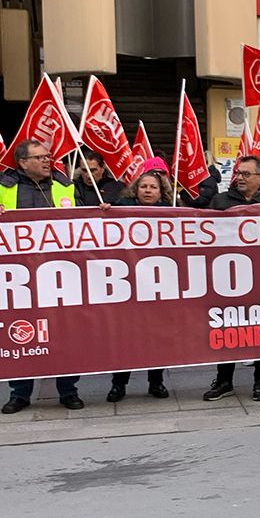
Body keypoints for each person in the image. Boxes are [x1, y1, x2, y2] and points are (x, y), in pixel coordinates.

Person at [0, 140, 83, 412]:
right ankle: (20, 393)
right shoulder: (0, 189)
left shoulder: (65, 186)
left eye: (48, 156)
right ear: (22, 162)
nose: (47, 161)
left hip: (61, 274)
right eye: (40, 157)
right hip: (19, 277)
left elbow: (82, 222)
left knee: (66, 334)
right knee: (20, 333)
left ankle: (68, 390)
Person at [203, 156, 260, 401]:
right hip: (229, 278)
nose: (240, 178)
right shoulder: (220, 201)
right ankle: (224, 381)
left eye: (246, 174)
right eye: (238, 173)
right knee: (228, 329)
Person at [107, 168, 174, 402]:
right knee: (125, 337)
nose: (148, 190)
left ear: (160, 191)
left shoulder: (172, 212)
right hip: (128, 285)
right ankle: (118, 385)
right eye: (144, 186)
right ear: (136, 189)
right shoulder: (121, 209)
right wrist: (106, 212)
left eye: (153, 187)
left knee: (155, 337)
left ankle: (156, 382)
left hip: (158, 284)